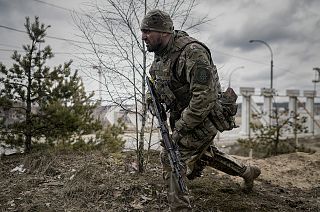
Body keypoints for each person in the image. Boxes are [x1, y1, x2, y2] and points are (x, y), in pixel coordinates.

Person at [141, 9, 261, 211]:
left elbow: (204, 98)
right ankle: (247, 172)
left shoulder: (192, 52)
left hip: (204, 117)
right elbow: (154, 87)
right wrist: (152, 103)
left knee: (171, 157)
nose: (143, 36)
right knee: (206, 154)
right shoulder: (160, 56)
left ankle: (180, 208)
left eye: (147, 31)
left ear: (164, 32)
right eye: (142, 31)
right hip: (188, 118)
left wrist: (179, 128)